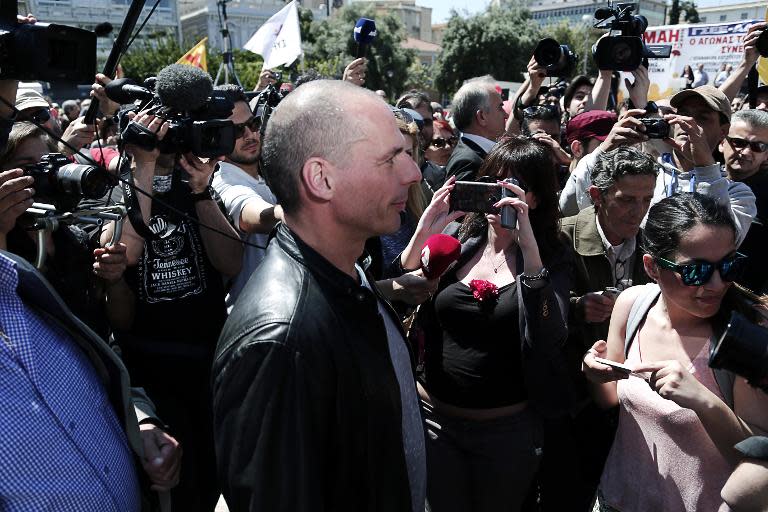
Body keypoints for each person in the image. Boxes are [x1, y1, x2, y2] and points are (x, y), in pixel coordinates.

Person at [212, 80, 426, 512]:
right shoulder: (280, 341)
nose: (413, 173)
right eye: (390, 160)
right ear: (321, 178)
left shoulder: (348, 274)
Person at [399, 136, 572, 511]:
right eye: (492, 183)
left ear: (536, 198)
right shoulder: (463, 238)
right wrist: (428, 224)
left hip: (504, 436)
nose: (499, 196)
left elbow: (548, 334)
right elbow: (407, 285)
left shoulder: (551, 256)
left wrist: (528, 250)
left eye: (513, 188)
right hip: (435, 425)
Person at [582, 192, 768, 511]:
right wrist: (592, 372)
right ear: (652, 267)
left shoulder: (747, 336)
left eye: (728, 266)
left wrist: (703, 400)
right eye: (696, 271)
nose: (716, 283)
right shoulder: (633, 305)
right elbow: (610, 399)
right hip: (617, 498)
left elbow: (758, 458)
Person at [103, 106, 243, 512]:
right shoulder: (118, 191)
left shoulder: (194, 186)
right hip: (153, 372)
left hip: (211, 363)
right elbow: (126, 254)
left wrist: (201, 191)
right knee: (178, 492)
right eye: (156, 134)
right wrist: (141, 165)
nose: (166, 142)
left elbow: (231, 262)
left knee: (220, 477)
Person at [554, 147, 658, 511]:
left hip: (633, 397)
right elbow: (527, 305)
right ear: (596, 195)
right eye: (627, 199)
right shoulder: (561, 237)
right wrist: (575, 306)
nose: (638, 210)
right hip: (572, 399)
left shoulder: (654, 244)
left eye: (647, 199)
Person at [210, 84, 280, 310]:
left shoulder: (267, 172)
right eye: (237, 131)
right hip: (256, 317)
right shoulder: (224, 182)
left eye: (253, 124)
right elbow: (255, 216)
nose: (250, 135)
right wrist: (303, 210)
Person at [444, 76, 507, 182]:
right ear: (482, 116)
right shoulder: (467, 162)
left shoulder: (477, 154)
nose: (506, 114)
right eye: (500, 107)